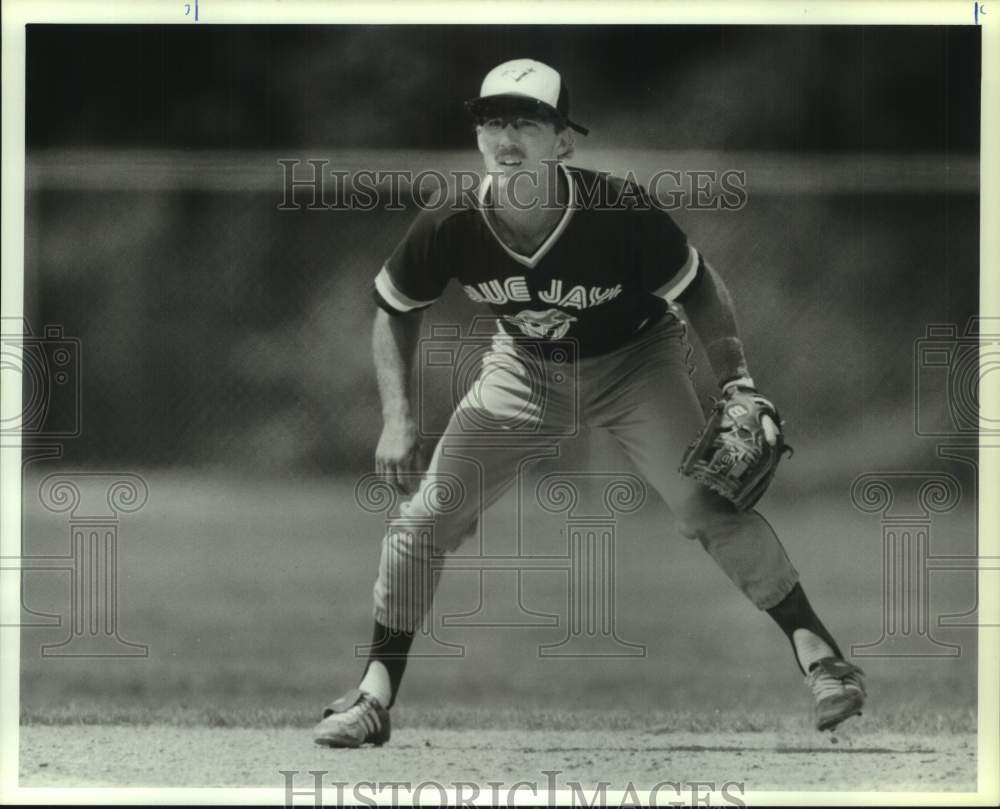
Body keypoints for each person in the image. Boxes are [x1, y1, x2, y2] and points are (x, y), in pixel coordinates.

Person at [313, 58, 866, 748]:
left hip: (637, 362)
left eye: (525, 120)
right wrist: (397, 415)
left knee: (705, 505)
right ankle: (373, 694)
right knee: (424, 521)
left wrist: (738, 382)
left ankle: (822, 658)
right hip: (524, 370)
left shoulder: (616, 211)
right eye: (492, 119)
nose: (505, 134)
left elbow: (697, 285)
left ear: (562, 141)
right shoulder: (453, 220)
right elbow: (394, 307)